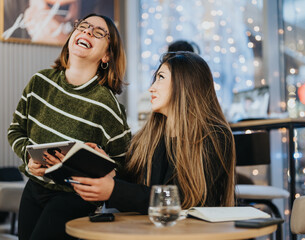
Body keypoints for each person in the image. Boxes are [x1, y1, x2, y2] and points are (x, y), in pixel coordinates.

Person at [7, 13, 131, 240]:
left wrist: (105, 162)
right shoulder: (40, 82)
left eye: (98, 32)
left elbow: (124, 165)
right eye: (83, 27)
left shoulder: (107, 105)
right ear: (72, 36)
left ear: (106, 55)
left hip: (74, 199)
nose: (87, 32)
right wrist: (29, 158)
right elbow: (16, 130)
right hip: (34, 189)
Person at [69, 51, 235, 213]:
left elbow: (183, 199)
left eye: (160, 78)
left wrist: (115, 190)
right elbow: (140, 190)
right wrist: (108, 170)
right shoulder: (150, 136)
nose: (151, 88)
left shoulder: (214, 136)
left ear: (185, 83)